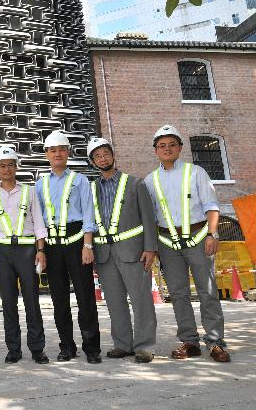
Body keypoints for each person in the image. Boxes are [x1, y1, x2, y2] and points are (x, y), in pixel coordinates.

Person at [144, 125, 230, 362]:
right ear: (155, 151)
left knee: (208, 291)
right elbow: (149, 217)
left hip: (199, 239)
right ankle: (189, 341)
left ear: (180, 148)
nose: (167, 149)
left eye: (172, 144)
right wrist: (154, 247)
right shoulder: (150, 181)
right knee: (178, 294)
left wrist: (213, 235)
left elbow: (211, 206)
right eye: (162, 145)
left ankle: (215, 343)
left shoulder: (196, 172)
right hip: (167, 243)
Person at [87, 137, 158, 364]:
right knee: (114, 302)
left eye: (106, 153)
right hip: (104, 254)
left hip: (134, 251)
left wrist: (150, 248)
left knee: (141, 300)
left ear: (113, 155)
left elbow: (149, 218)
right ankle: (122, 344)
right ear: (93, 162)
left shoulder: (135, 184)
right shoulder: (91, 189)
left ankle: (145, 346)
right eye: (97, 156)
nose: (102, 158)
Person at [35, 130, 101, 364]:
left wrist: (87, 245)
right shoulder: (40, 184)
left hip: (76, 242)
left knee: (85, 298)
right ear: (47, 155)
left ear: (68, 152)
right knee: (59, 299)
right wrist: (40, 250)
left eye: (62, 149)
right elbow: (38, 220)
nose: (58, 154)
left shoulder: (80, 180)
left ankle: (91, 348)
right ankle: (67, 346)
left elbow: (88, 214)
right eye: (53, 150)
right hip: (52, 246)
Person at [0, 146, 50, 365]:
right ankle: (13, 348)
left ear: (16, 167)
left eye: (10, 165)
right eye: (2, 166)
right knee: (8, 303)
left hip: (27, 250)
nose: (6, 169)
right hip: (2, 252)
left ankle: (37, 348)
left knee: (32, 301)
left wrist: (41, 251)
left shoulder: (29, 191)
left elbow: (39, 221)